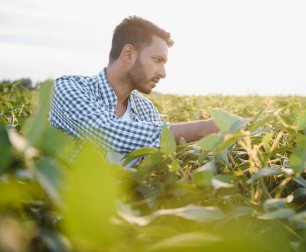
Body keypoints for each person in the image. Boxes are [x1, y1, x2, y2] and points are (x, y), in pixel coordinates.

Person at [49, 16, 219, 167]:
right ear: (128, 54)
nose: (163, 73)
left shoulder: (146, 109)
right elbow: (106, 133)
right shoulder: (68, 87)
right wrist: (205, 128)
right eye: (157, 60)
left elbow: (151, 168)